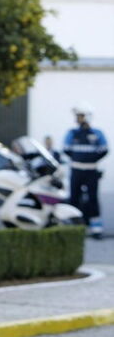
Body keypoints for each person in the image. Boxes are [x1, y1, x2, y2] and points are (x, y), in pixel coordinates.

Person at [64, 102, 108, 239]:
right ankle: (75, 227)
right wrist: (80, 159)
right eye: (78, 116)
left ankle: (96, 228)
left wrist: (90, 159)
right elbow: (66, 149)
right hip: (76, 170)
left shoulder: (97, 133)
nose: (78, 118)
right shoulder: (72, 133)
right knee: (74, 198)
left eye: (81, 116)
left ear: (88, 117)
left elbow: (105, 149)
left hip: (91, 172)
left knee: (92, 199)